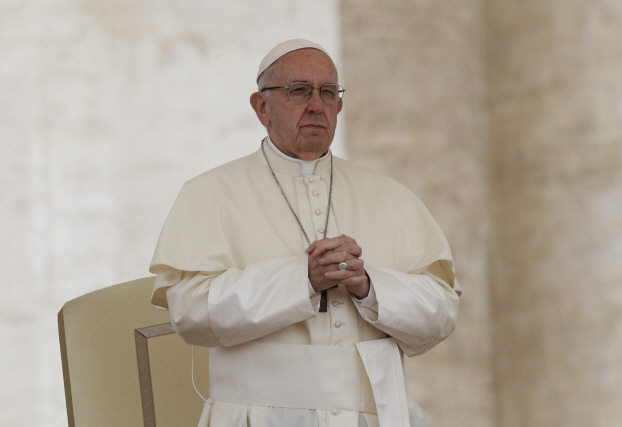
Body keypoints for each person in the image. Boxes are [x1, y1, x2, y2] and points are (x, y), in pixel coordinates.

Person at [149, 39, 461, 427]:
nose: (316, 105)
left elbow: (442, 313)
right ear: (261, 107)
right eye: (299, 91)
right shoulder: (210, 193)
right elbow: (190, 312)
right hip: (254, 418)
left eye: (328, 93)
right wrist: (302, 279)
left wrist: (369, 286)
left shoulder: (391, 196)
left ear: (339, 106)